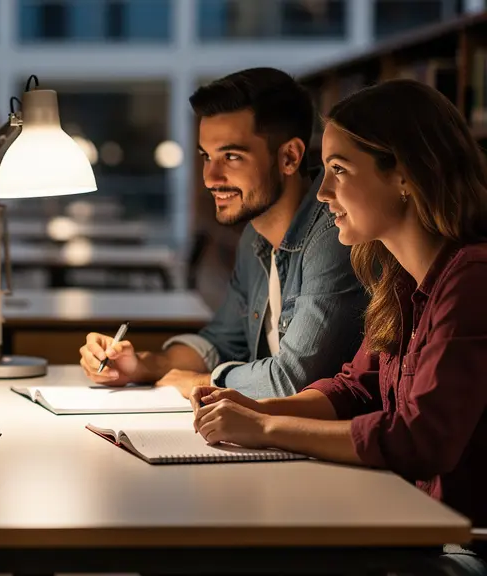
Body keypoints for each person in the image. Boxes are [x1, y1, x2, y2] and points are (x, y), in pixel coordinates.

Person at [191, 79, 487, 574]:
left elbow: (420, 440)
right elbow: (355, 388)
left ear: (405, 175)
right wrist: (254, 407)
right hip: (411, 524)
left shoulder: (472, 279)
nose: (323, 192)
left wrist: (266, 428)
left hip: (463, 547)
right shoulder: (398, 277)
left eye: (339, 170)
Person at [79, 67, 367, 399]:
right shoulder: (255, 236)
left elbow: (293, 380)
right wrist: (142, 364)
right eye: (206, 156)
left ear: (289, 157)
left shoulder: (335, 233)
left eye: (231, 156)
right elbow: (222, 342)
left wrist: (202, 382)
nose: (210, 178)